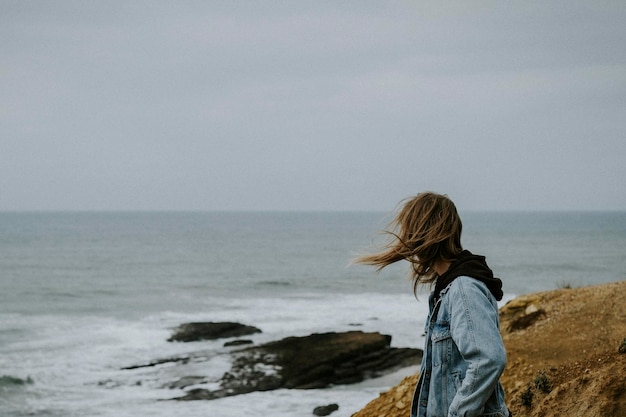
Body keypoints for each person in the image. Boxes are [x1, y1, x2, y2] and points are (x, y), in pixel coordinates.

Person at [355, 192, 510, 417]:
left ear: (427, 232)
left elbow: (489, 359)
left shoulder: (463, 289)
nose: (406, 239)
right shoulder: (445, 288)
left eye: (410, 230)